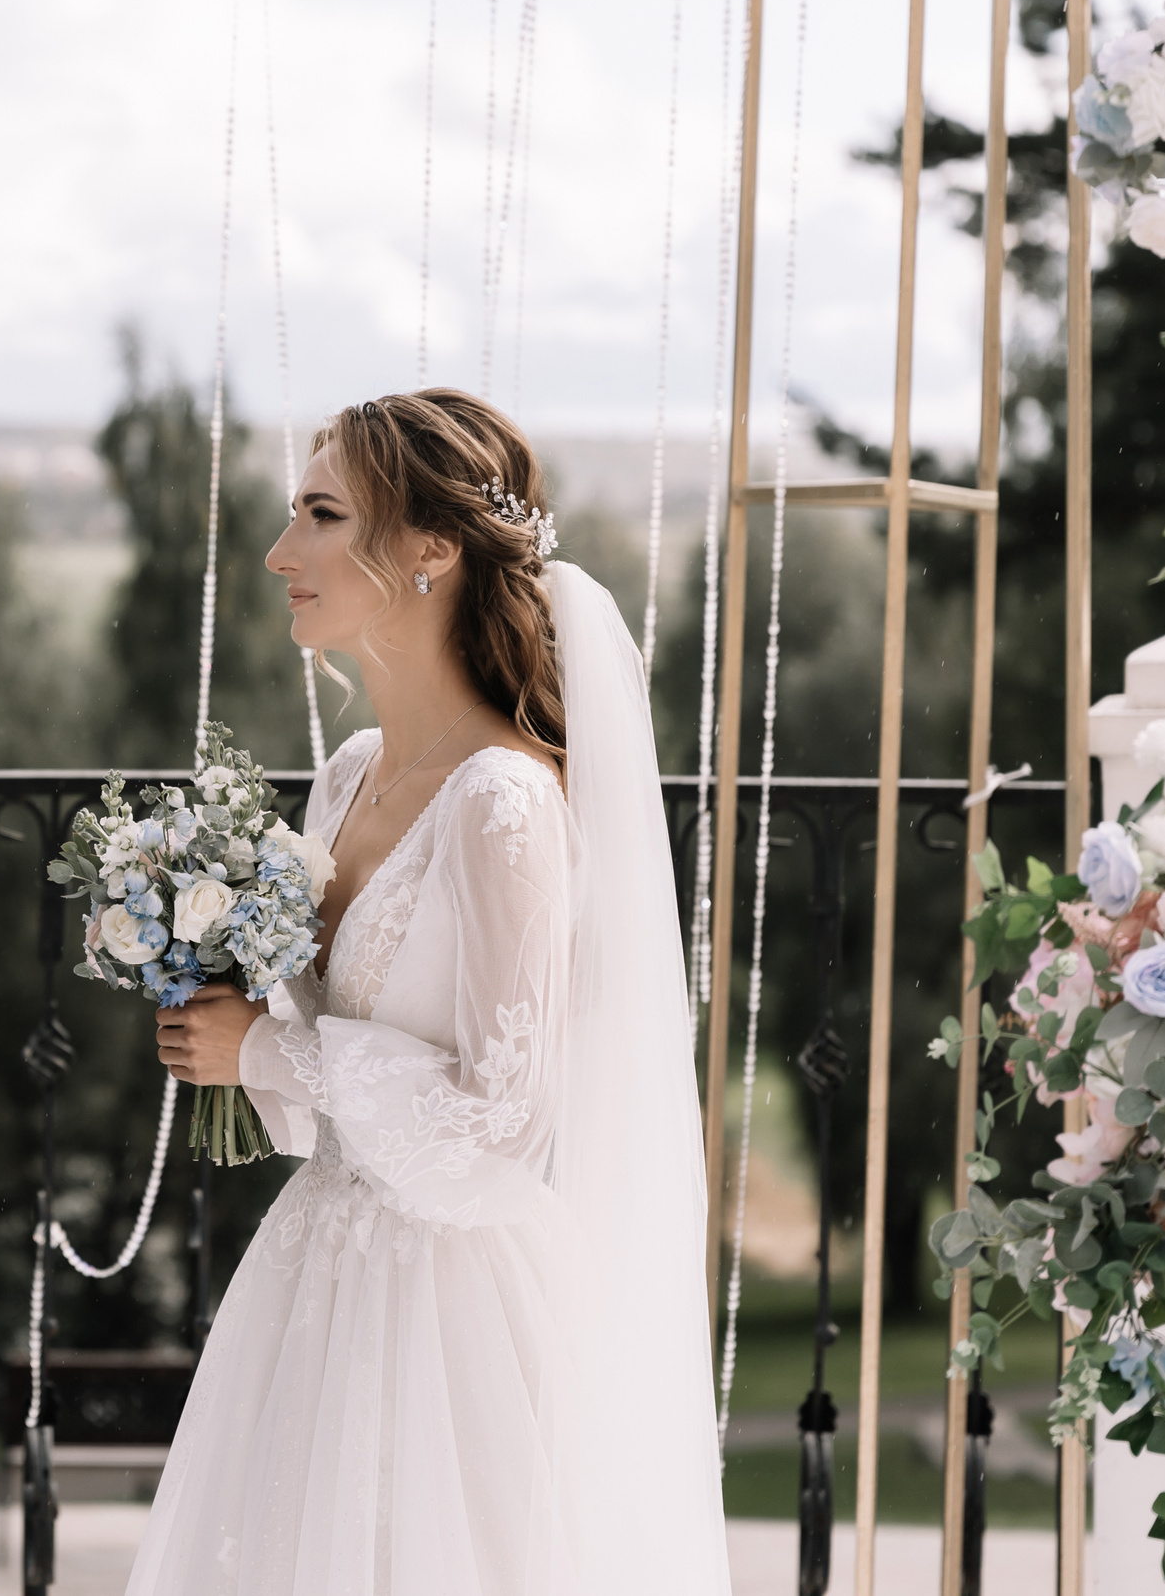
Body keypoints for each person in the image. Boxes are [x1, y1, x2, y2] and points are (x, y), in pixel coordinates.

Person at [132, 389, 729, 1593]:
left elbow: (505, 1121)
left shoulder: (502, 801)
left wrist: (263, 1055)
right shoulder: (348, 774)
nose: (279, 551)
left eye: (317, 514)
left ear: (429, 549)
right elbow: (317, 1083)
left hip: (452, 1316)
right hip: (318, 1281)